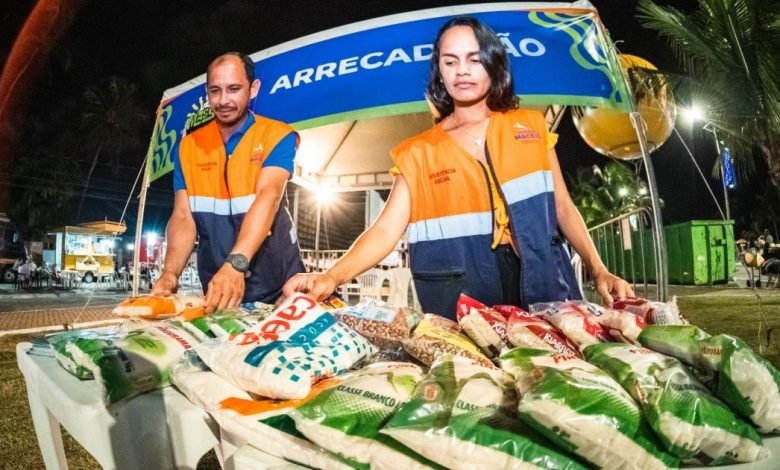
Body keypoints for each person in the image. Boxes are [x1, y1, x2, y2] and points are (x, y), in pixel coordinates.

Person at [283, 17, 632, 318]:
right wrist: (332, 276)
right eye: (450, 62)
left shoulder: (531, 127)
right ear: (440, 71)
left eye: (474, 59)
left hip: (546, 287)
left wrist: (599, 269)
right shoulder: (417, 153)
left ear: (493, 63)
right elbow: (385, 230)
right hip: (466, 300)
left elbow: (563, 207)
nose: (462, 70)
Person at [153, 52, 305, 311]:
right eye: (215, 91)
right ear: (207, 93)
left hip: (281, 288)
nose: (223, 100)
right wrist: (170, 273)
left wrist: (236, 265)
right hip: (219, 291)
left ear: (253, 89)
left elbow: (268, 198)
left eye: (234, 89)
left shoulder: (277, 135)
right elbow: (182, 217)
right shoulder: (188, 146)